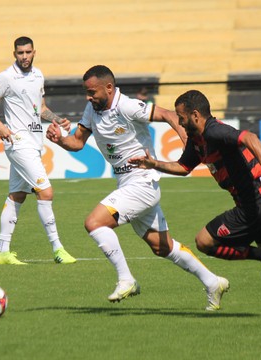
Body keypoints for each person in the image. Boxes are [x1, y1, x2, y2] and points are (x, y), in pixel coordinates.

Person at [128, 89, 261, 316]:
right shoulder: (198, 141)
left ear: (195, 115)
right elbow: (183, 168)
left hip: (254, 205)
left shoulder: (214, 131)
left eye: (181, 117)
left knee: (204, 242)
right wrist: (153, 164)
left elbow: (250, 137)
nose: (179, 123)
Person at [46, 65, 229, 309]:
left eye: (92, 92)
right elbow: (77, 142)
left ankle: (126, 279)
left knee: (94, 222)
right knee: (162, 246)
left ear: (109, 88)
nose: (88, 97)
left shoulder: (127, 106)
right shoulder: (92, 108)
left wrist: (188, 142)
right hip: (126, 181)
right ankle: (213, 282)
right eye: (86, 92)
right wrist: (59, 140)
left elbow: (168, 114)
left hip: (142, 181)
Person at [0, 36, 76, 265]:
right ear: (14, 54)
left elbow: (40, 108)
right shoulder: (5, 77)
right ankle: (58, 249)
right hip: (18, 142)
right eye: (20, 53)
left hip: (34, 142)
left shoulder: (38, 75)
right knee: (46, 192)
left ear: (34, 52)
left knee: (17, 195)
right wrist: (0, 126)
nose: (24, 56)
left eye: (28, 52)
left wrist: (58, 119)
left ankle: (2, 251)